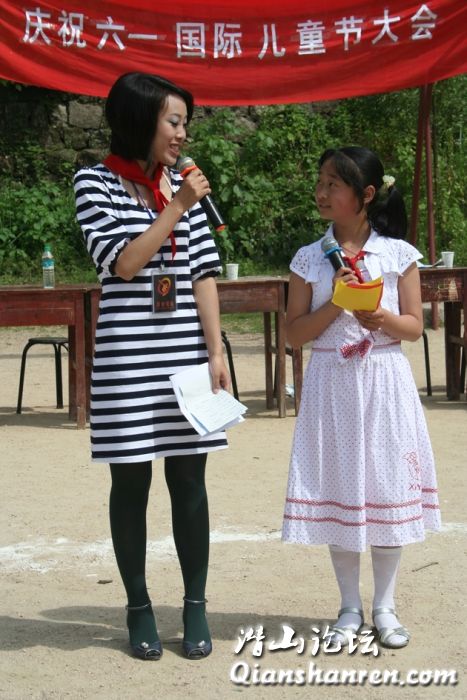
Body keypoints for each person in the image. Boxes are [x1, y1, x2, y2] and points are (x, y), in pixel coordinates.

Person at [74, 72, 231, 660]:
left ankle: (195, 606)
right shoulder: (94, 183)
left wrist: (216, 351)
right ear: (141, 120)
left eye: (185, 123)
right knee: (130, 481)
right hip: (128, 358)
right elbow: (124, 263)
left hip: (187, 355)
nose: (182, 133)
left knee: (190, 481)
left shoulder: (181, 185)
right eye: (173, 121)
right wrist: (177, 204)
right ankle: (138, 607)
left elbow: (204, 273)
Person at [282, 146, 441, 650]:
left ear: (366, 194)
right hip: (332, 384)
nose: (321, 192)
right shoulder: (309, 258)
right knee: (341, 489)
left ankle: (385, 607)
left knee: (389, 488)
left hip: (384, 381)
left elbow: (413, 327)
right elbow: (293, 334)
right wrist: (337, 303)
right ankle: (349, 606)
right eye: (321, 181)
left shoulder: (398, 254)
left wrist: (381, 318)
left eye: (334, 184)